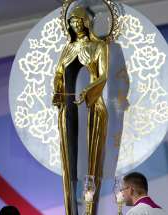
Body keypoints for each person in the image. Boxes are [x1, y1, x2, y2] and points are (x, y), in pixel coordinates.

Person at [52, 5, 109, 215]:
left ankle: (90, 209)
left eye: (79, 21)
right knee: (71, 164)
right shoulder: (68, 49)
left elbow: (103, 76)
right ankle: (71, 208)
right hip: (69, 112)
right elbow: (59, 74)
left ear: (86, 22)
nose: (76, 25)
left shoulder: (99, 46)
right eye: (72, 23)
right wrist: (58, 90)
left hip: (93, 108)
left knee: (90, 163)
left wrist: (87, 90)